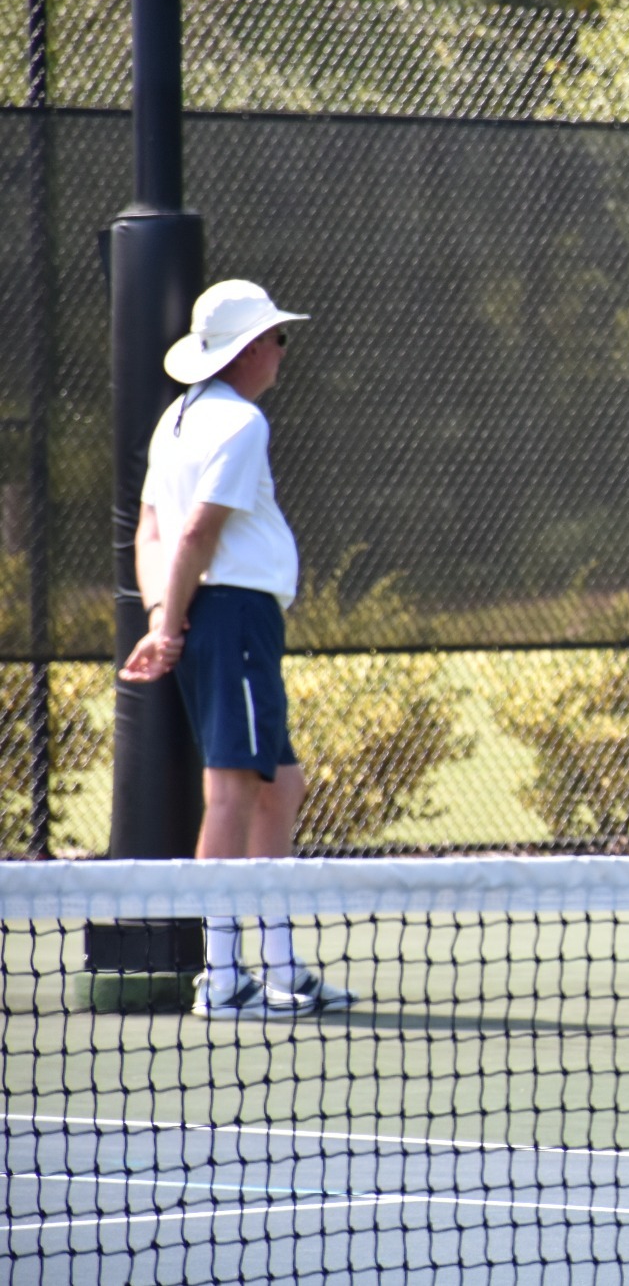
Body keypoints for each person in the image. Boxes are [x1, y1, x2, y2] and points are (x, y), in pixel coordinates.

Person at [119, 279, 357, 1021]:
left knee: (279, 785)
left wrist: (163, 612)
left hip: (212, 617)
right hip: (232, 620)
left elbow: (150, 538)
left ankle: (279, 967)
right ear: (251, 348)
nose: (284, 351)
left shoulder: (175, 423)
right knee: (230, 794)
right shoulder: (241, 424)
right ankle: (222, 977)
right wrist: (170, 624)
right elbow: (192, 534)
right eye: (278, 338)